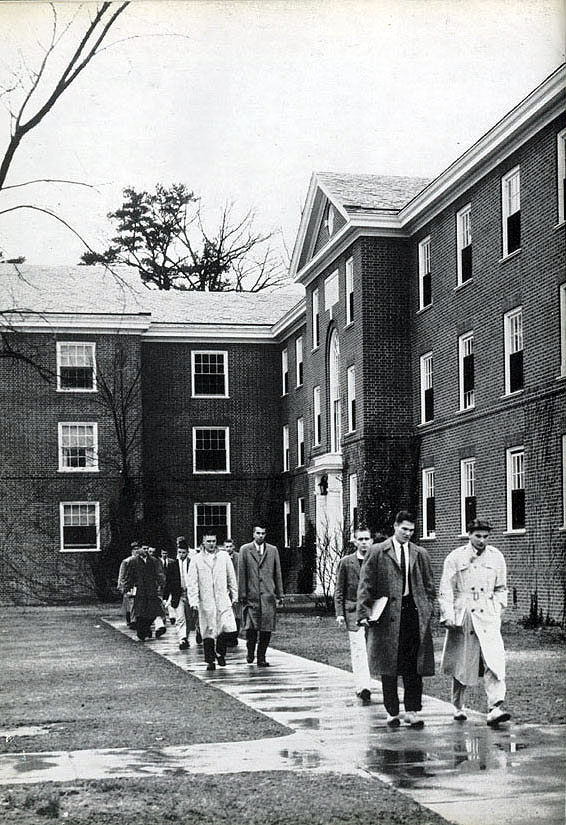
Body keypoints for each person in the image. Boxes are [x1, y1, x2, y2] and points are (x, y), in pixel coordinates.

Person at [357, 510, 436, 728]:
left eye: (411, 530)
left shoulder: (420, 553)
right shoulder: (377, 552)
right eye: (404, 529)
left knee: (414, 665)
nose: (408, 534)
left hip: (413, 614)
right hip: (386, 616)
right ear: (395, 526)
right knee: (388, 664)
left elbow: (430, 587)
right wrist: (364, 613)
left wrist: (428, 609)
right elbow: (365, 585)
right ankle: (392, 711)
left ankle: (412, 711)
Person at [438, 518, 511, 727]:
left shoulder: (496, 557)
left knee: (494, 660)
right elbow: (445, 589)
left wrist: (497, 609)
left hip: (487, 614)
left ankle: (494, 707)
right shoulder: (455, 557)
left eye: (485, 536)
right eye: (477, 536)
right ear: (469, 534)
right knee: (463, 661)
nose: (482, 540)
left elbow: (501, 588)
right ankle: (459, 706)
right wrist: (449, 615)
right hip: (465, 614)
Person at [334, 527, 375, 704]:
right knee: (358, 649)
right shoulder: (346, 562)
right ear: (355, 541)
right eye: (361, 539)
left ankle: (368, 681)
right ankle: (362, 686)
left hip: (373, 612)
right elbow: (339, 590)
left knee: (371, 649)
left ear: (371, 541)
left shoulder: (376, 561)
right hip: (352, 611)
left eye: (367, 539)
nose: (364, 542)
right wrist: (339, 613)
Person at [187, 533, 238, 670]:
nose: (211, 544)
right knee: (208, 630)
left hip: (222, 598)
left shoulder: (224, 557)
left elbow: (231, 577)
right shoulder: (196, 560)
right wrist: (194, 601)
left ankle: (220, 652)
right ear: (203, 542)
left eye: (214, 541)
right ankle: (210, 661)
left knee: (227, 628)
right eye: (208, 541)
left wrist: (234, 596)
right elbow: (192, 582)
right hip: (206, 600)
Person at [238, 525, 284, 667]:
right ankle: (250, 651)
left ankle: (261, 656)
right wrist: (242, 594)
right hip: (251, 596)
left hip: (268, 596)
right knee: (251, 628)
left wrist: (280, 594)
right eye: (258, 533)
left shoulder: (272, 550)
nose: (260, 536)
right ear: (253, 534)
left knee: (266, 628)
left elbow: (277, 573)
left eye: (263, 533)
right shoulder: (245, 550)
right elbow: (242, 573)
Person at [126, 544, 167, 641]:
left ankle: (146, 629)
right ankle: (142, 631)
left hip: (151, 590)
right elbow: (130, 576)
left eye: (147, 549)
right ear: (139, 549)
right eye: (143, 549)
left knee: (153, 611)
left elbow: (159, 574)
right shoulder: (133, 562)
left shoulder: (153, 561)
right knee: (140, 612)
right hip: (140, 591)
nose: (145, 551)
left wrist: (163, 585)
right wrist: (128, 587)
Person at [163, 543, 197, 650]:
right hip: (178, 594)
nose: (181, 555)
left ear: (187, 552)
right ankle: (182, 638)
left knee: (189, 617)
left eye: (183, 552)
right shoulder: (173, 565)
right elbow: (168, 582)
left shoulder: (192, 563)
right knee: (180, 617)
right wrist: (165, 596)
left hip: (190, 594)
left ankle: (186, 636)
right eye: (179, 552)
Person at [117, 541, 140, 627]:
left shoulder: (140, 561)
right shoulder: (126, 561)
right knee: (128, 603)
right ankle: (130, 620)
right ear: (132, 551)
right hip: (128, 585)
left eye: (138, 549)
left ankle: (134, 620)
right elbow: (122, 574)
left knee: (134, 603)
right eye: (135, 549)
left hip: (137, 584)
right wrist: (121, 585)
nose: (136, 551)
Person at [223, 539, 241, 646]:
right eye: (227, 546)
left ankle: (235, 637)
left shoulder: (238, 558)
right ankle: (228, 636)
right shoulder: (222, 558)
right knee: (227, 614)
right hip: (226, 590)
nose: (228, 548)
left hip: (237, 589)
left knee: (237, 614)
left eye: (230, 546)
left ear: (233, 547)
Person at [160, 548, 177, 625]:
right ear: (161, 553)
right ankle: (163, 617)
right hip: (160, 584)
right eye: (163, 553)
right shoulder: (158, 562)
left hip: (170, 583)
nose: (164, 555)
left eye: (166, 553)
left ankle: (172, 617)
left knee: (170, 600)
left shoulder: (172, 562)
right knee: (162, 601)